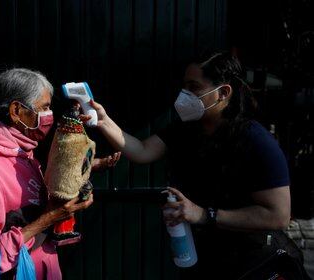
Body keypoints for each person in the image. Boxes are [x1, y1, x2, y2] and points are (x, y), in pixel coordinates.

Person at [83, 52, 307, 278]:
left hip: (256, 263)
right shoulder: (187, 129)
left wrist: (203, 214)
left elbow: (278, 216)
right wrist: (103, 122)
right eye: (184, 86)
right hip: (209, 260)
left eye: (194, 87)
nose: (185, 95)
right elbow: (142, 150)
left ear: (223, 93)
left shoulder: (256, 141)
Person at [0, 68, 119, 280]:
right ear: (16, 111)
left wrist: (83, 169)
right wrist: (48, 218)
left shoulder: (22, 153)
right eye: (44, 107)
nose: (50, 115)